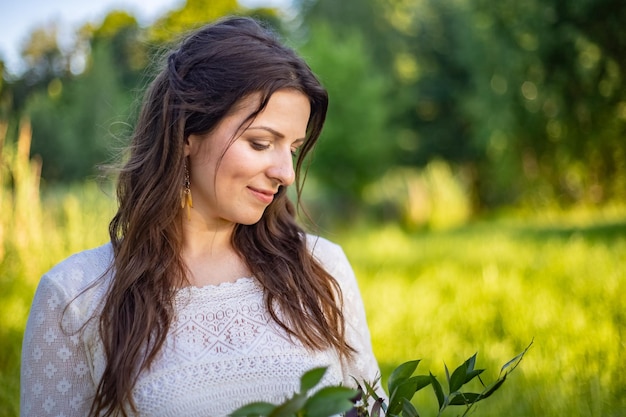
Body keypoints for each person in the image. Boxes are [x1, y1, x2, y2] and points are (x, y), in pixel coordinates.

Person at [20, 15, 381, 417]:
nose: (286, 173)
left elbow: (372, 407)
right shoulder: (76, 297)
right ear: (187, 134)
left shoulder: (321, 269)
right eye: (261, 143)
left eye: (292, 148)